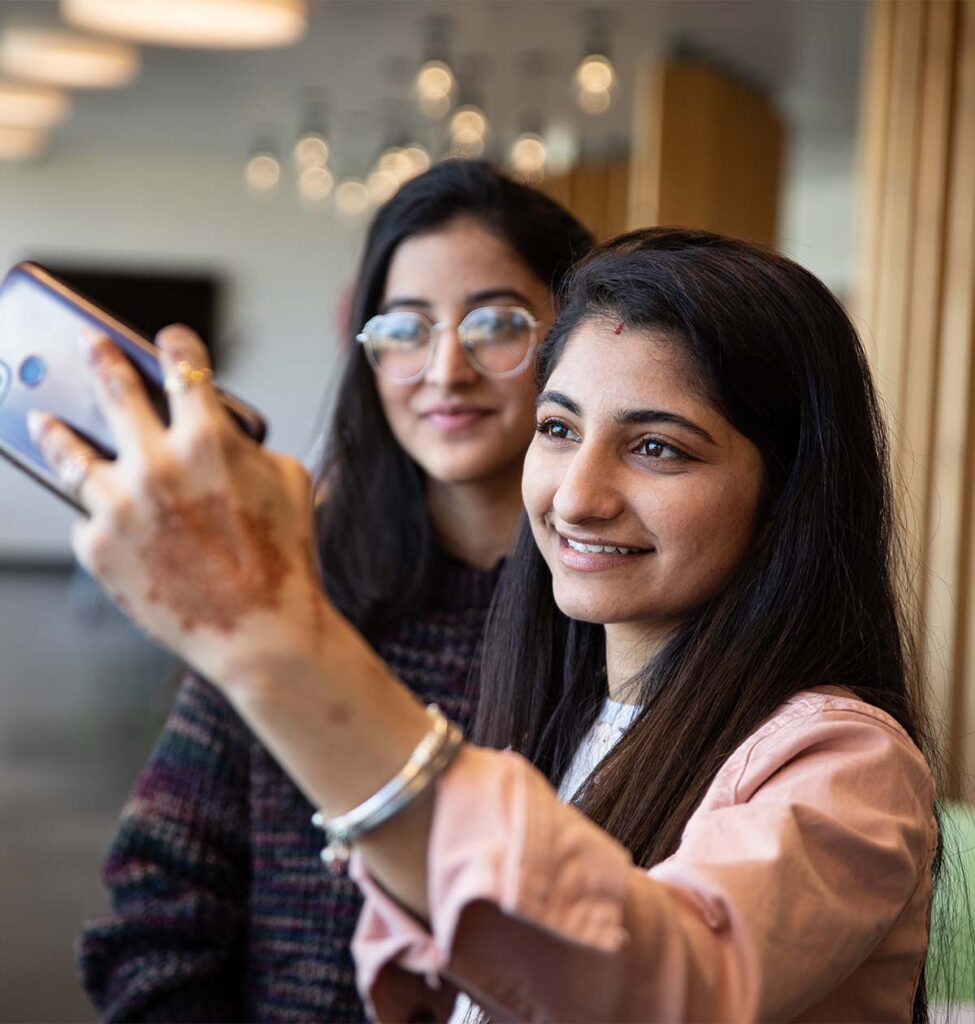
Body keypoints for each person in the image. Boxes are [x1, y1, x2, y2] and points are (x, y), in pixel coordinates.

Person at [34, 227, 938, 1022]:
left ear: (787, 496)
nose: (577, 497)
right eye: (557, 429)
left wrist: (270, 636)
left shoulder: (848, 767)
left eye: (656, 447)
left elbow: (669, 983)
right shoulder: (558, 707)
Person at [72, 160, 593, 1021]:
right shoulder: (288, 585)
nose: (444, 369)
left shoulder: (620, 615)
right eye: (405, 327)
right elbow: (162, 894)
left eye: (495, 323)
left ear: (575, 338)